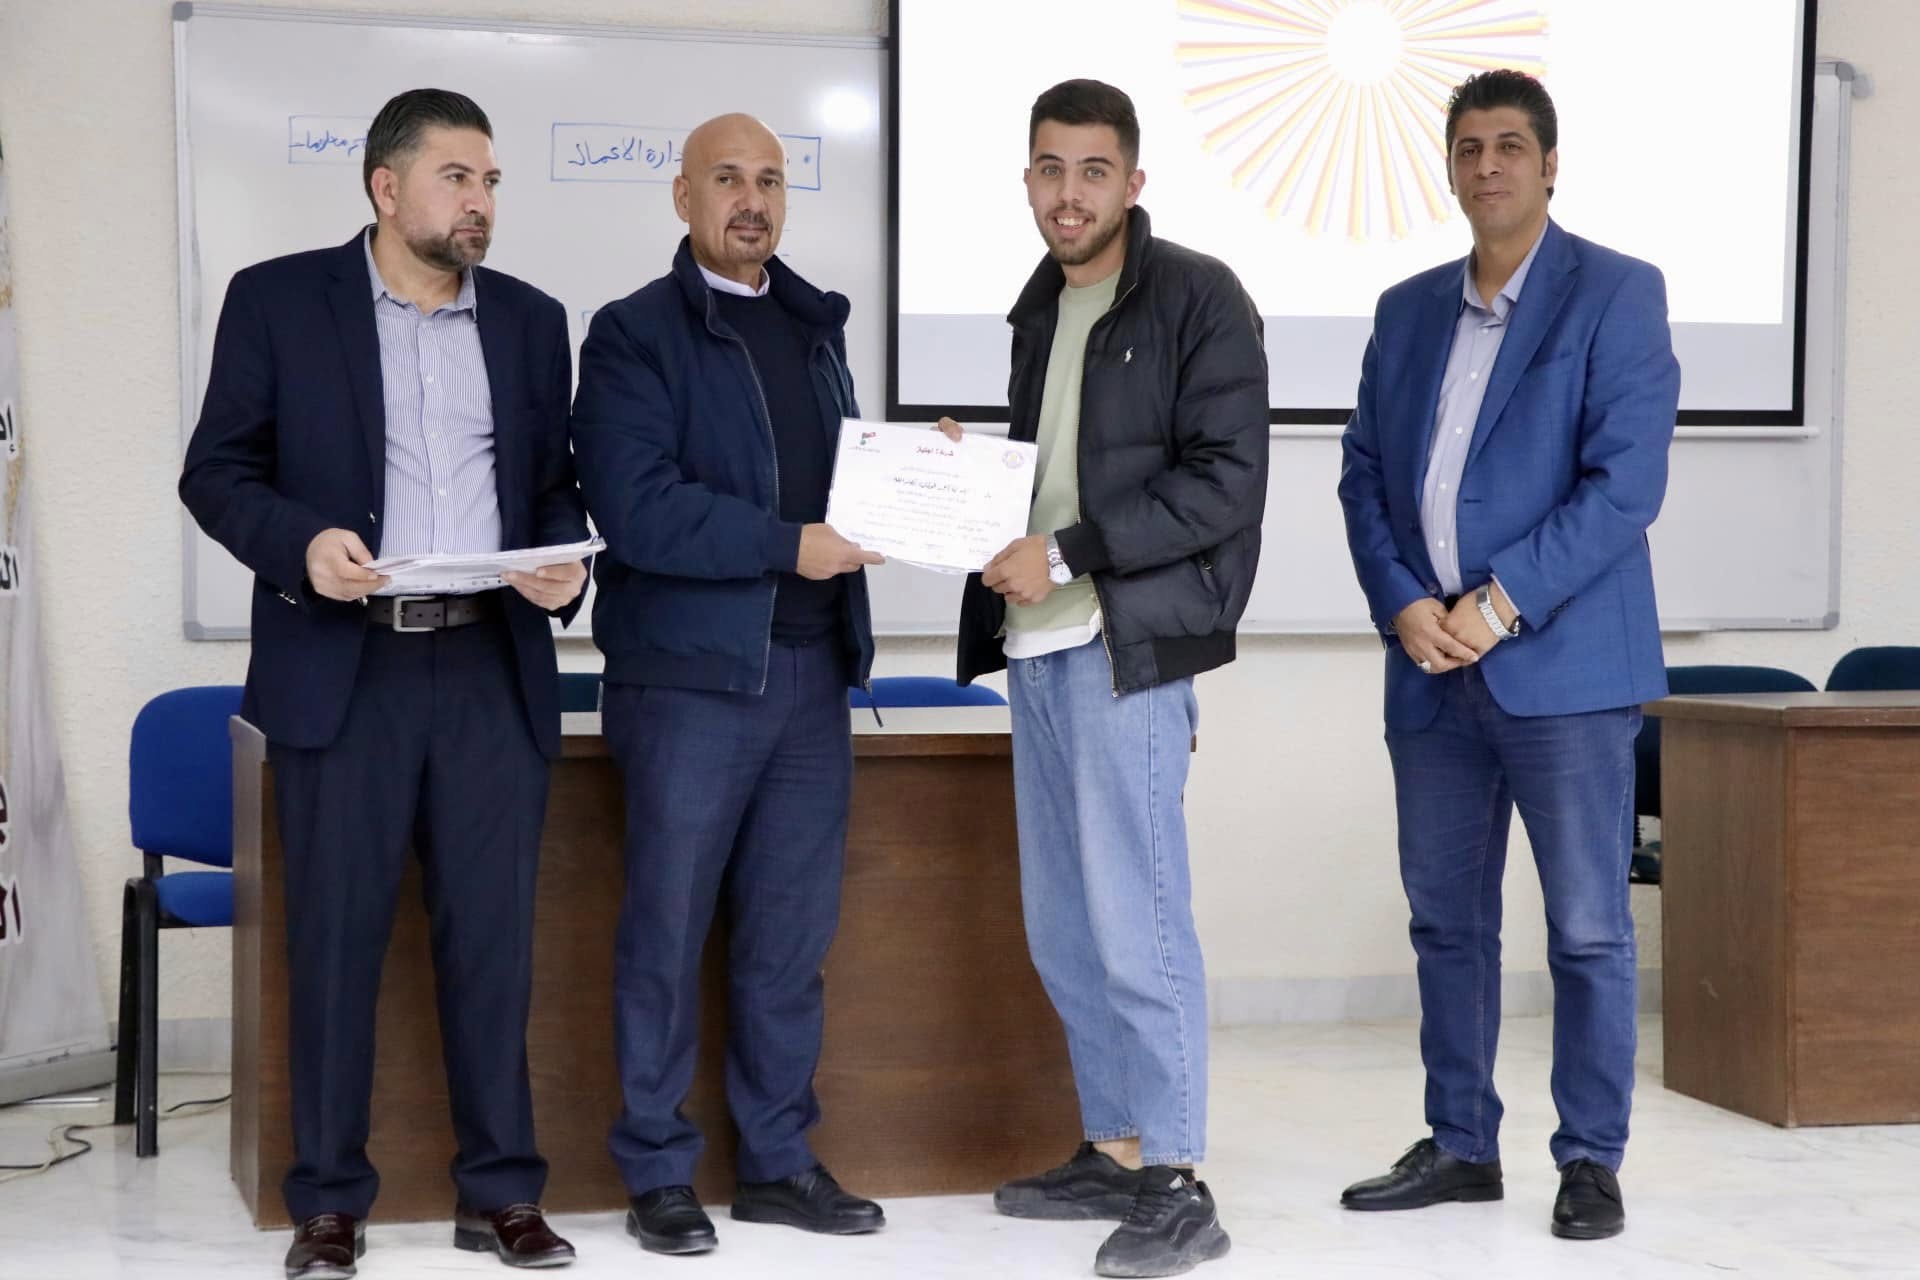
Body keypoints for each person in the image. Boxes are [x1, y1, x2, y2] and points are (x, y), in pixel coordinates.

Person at [180, 88, 588, 1277]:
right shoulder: (277, 300)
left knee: (493, 945)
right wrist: (301, 544)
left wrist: (564, 560)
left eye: (492, 181)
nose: (481, 201)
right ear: (386, 186)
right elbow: (216, 471)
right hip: (343, 664)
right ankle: (327, 1202)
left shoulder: (530, 319)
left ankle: (501, 1192)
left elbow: (552, 483)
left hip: (490, 664)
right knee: (335, 941)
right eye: (458, 177)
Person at [1334, 68, 1681, 1242]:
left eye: (1511, 146)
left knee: (1586, 928)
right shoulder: (1406, 309)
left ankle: (1589, 1158)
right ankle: (1460, 1143)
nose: (1488, 165)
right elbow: (1362, 475)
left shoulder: (1617, 293)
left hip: (1564, 672)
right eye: (1469, 148)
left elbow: (1624, 484)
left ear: (1550, 164)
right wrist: (1402, 602)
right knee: (1446, 923)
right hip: (1428, 669)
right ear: (1450, 167)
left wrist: (1499, 603)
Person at [942, 78, 1268, 1279]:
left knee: (1140, 919)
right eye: (1049, 169)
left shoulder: (1199, 296)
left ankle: (1179, 1176)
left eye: (1092, 171)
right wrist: (974, 478)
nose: (1068, 193)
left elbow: (1224, 480)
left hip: (1124, 647)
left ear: (1132, 181)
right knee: (1066, 925)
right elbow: (1062, 471)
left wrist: (1069, 549)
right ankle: (1117, 1144)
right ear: (1028, 180)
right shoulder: (1041, 307)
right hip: (1037, 646)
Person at [568, 112, 886, 1257]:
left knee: (788, 942)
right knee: (666, 931)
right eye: (728, 180)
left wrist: (921, 474)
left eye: (770, 181)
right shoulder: (633, 333)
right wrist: (788, 543)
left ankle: (778, 1161)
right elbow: (640, 509)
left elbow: (844, 488)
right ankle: (658, 1168)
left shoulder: (815, 327)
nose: (752, 201)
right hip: (689, 684)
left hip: (812, 674)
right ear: (683, 196)